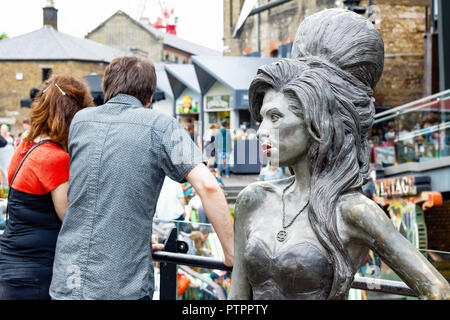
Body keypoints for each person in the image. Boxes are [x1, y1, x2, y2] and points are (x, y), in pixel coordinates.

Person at [230, 9, 450, 300]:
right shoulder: (252, 200)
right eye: (261, 118)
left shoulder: (353, 211)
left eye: (275, 117)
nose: (260, 132)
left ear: (315, 123)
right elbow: (237, 297)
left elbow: (437, 290)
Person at [49, 56, 233, 300]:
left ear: (107, 88)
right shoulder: (162, 126)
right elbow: (208, 186)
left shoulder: (82, 121)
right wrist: (231, 255)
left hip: (68, 280)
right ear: (149, 97)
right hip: (120, 286)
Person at [0, 75, 94, 300]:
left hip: (12, 263)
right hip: (35, 272)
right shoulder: (54, 158)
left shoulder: (25, 145)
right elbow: (73, 221)